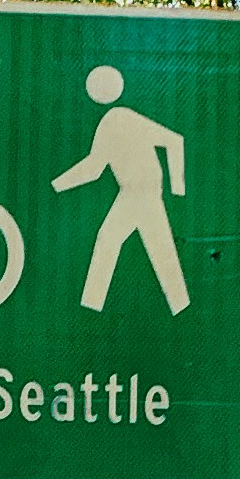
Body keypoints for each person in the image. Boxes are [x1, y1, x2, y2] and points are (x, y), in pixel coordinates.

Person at [52, 65, 188, 312]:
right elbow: (94, 168)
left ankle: (92, 306)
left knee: (121, 241)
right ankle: (178, 305)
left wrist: (177, 188)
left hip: (145, 192)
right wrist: (57, 186)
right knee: (137, 243)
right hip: (132, 193)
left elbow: (174, 141)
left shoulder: (121, 117)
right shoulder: (107, 124)